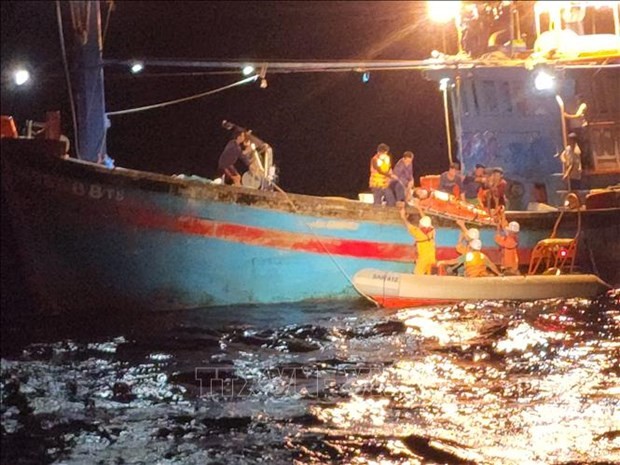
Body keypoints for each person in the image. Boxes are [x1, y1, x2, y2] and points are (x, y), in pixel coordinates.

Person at [399, 205, 436, 275]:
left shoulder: (418, 233)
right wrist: (419, 208)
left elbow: (408, 225)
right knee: (429, 276)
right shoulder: (432, 230)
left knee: (416, 275)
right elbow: (425, 219)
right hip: (432, 258)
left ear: (421, 225)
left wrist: (403, 217)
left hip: (423, 259)